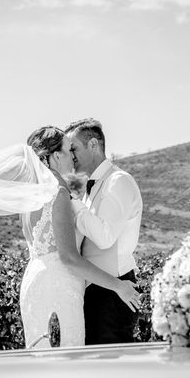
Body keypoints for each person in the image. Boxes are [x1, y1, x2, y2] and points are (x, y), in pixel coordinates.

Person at [20, 126, 140, 348]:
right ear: (56, 156)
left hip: (35, 282)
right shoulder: (60, 194)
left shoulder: (31, 197)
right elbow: (68, 257)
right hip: (61, 284)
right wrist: (118, 286)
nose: (73, 157)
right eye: (69, 150)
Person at [65, 119, 143, 345]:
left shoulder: (118, 181)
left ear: (92, 145)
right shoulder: (92, 186)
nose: (71, 156)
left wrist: (73, 202)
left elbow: (105, 237)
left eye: (74, 148)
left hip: (114, 293)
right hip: (97, 289)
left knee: (112, 369)